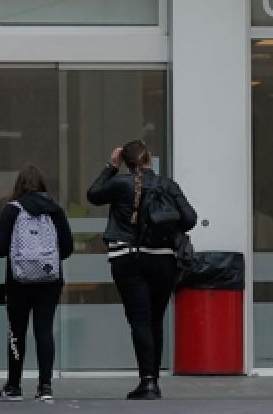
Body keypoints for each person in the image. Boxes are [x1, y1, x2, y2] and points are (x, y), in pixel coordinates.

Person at [87, 140, 196, 401]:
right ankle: (152, 381)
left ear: (126, 162)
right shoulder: (167, 185)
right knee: (155, 320)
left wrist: (111, 167)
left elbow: (93, 194)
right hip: (163, 260)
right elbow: (190, 219)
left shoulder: (120, 183)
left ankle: (147, 382)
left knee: (139, 320)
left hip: (128, 259)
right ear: (149, 159)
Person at [0, 164, 74, 403]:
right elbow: (67, 249)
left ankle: (14, 386)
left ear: (19, 185)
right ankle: (45, 386)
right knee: (44, 330)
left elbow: (0, 249)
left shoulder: (11, 210)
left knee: (16, 331)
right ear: (43, 185)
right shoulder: (56, 211)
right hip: (50, 281)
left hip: (18, 281)